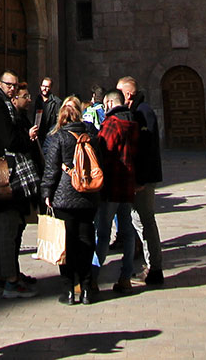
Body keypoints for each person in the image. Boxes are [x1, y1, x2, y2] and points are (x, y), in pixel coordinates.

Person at [0, 71, 37, 298]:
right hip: (9, 175)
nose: (12, 89)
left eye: (15, 85)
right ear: (0, 84)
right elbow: (10, 140)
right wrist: (27, 138)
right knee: (9, 227)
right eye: (8, 84)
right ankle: (10, 282)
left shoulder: (1, 105)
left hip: (1, 173)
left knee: (1, 227)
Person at [40, 97, 101, 305]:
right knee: (85, 242)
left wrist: (46, 193)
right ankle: (86, 290)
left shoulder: (58, 137)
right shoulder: (91, 136)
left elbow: (51, 170)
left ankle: (68, 291)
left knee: (64, 244)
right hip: (87, 196)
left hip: (63, 197)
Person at [118, 75, 166, 287]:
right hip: (141, 177)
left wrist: (142, 179)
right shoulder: (139, 111)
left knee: (145, 221)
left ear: (128, 94)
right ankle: (151, 265)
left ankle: (154, 268)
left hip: (143, 179)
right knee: (141, 221)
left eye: (118, 93)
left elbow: (146, 149)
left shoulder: (142, 112)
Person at [92, 91, 141, 294]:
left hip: (111, 186)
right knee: (128, 232)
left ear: (111, 103)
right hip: (127, 185)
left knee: (102, 233)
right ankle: (126, 276)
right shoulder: (133, 121)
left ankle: (92, 277)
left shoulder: (112, 124)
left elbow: (105, 151)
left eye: (105, 105)